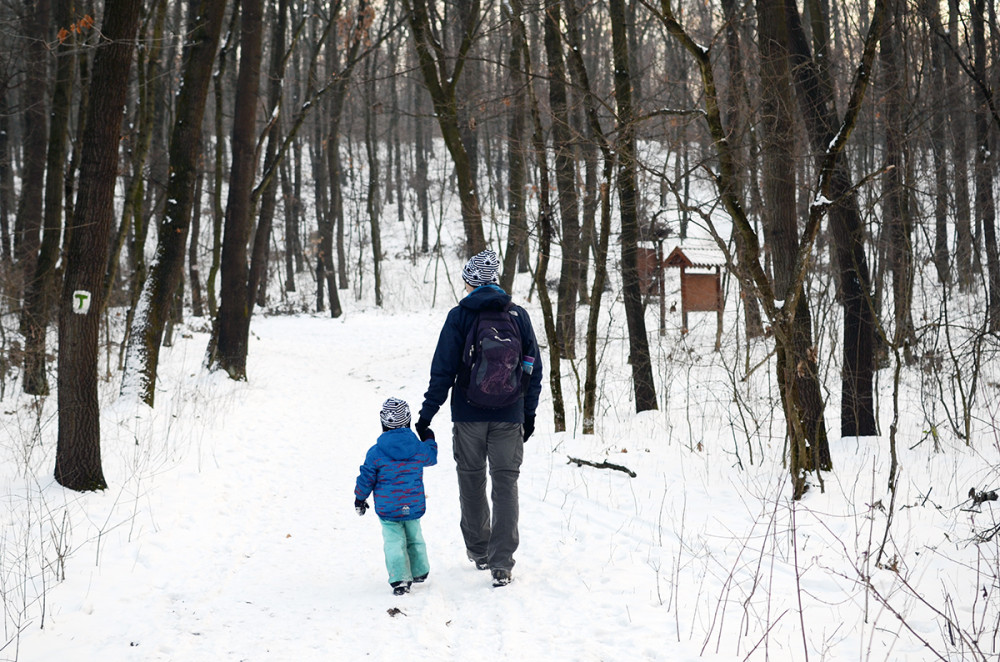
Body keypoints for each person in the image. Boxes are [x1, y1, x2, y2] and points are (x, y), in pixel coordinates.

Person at [415, 249, 543, 587]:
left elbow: (442, 370)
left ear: (470, 281)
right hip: (509, 413)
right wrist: (527, 413)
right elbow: (532, 367)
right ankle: (502, 563)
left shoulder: (460, 316)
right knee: (505, 485)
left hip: (468, 414)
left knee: (471, 481)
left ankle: (479, 551)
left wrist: (427, 413)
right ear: (497, 280)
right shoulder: (518, 316)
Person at [355, 397, 438, 596]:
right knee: (414, 536)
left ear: (384, 423)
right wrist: (429, 436)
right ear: (408, 421)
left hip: (388, 508)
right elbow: (431, 457)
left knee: (394, 542)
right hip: (413, 504)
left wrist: (360, 498)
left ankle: (400, 578)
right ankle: (419, 571)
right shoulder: (418, 448)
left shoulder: (376, 453)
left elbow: (366, 477)